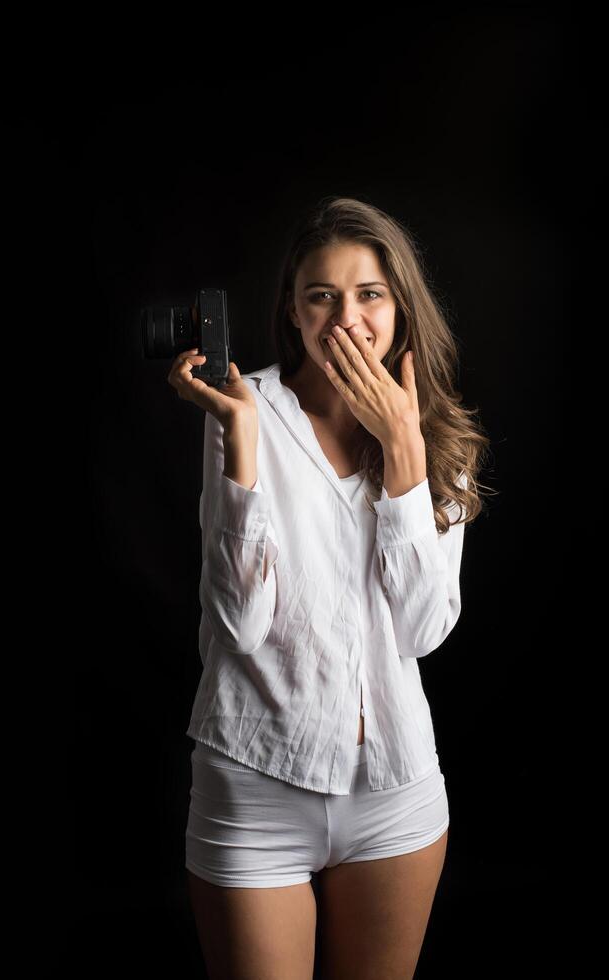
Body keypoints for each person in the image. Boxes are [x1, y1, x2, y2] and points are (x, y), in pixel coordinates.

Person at [168, 196, 491, 980]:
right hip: (255, 787)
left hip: (395, 794)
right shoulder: (245, 412)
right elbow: (239, 625)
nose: (347, 316)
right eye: (322, 295)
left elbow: (420, 631)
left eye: (369, 293)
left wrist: (405, 449)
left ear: (399, 306)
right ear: (294, 309)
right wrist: (241, 443)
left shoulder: (438, 434)